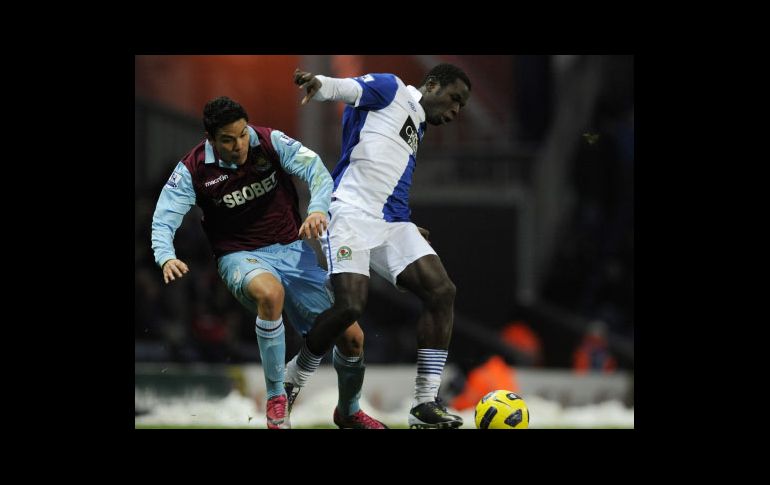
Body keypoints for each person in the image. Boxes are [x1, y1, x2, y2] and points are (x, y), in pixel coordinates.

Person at [151, 96, 386, 429]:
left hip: (292, 251)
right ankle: (277, 399)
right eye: (228, 140)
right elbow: (163, 219)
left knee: (352, 338)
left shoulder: (269, 141)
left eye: (242, 134)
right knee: (270, 293)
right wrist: (166, 256)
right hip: (239, 256)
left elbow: (316, 170)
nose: (239, 145)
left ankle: (348, 412)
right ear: (210, 138)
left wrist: (317, 209)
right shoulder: (192, 169)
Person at [286, 64, 472, 428]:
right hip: (350, 213)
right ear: (432, 84)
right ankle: (292, 378)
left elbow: (388, 177)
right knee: (349, 307)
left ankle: (424, 403)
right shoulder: (392, 89)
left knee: (441, 291)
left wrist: (406, 225)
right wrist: (320, 84)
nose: (455, 111)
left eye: (461, 107)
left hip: (391, 222)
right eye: (454, 99)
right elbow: (348, 89)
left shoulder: (417, 124)